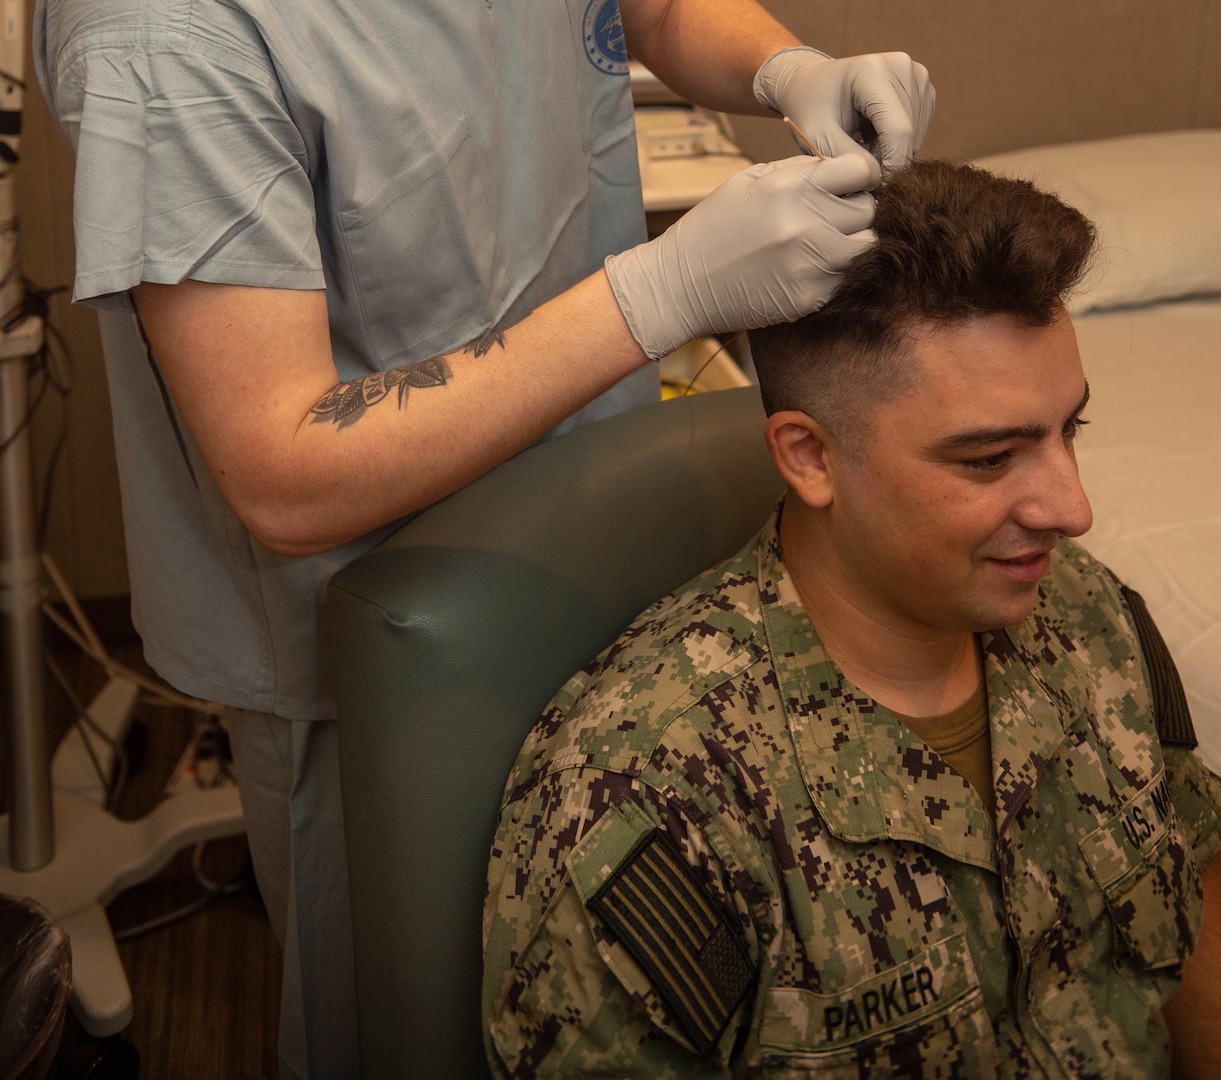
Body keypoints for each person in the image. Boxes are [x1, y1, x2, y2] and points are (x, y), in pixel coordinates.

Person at [32, 0, 933, 1075]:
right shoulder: (165, 33)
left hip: (586, 519)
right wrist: (664, 289)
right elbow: (284, 474)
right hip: (366, 619)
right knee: (415, 1018)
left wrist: (788, 67)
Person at [482, 159, 1221, 1076]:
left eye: (1068, 430)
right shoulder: (649, 797)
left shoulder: (1094, 616)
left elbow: (1191, 883)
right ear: (809, 457)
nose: (1072, 511)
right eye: (990, 459)